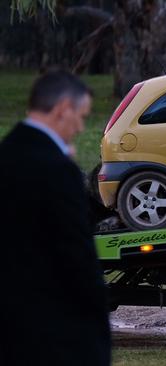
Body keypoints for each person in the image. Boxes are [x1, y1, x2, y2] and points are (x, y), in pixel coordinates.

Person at [0, 71, 111, 365]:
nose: (80, 127)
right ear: (64, 108)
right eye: (81, 116)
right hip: (52, 335)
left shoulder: (6, 154)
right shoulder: (56, 170)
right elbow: (77, 258)